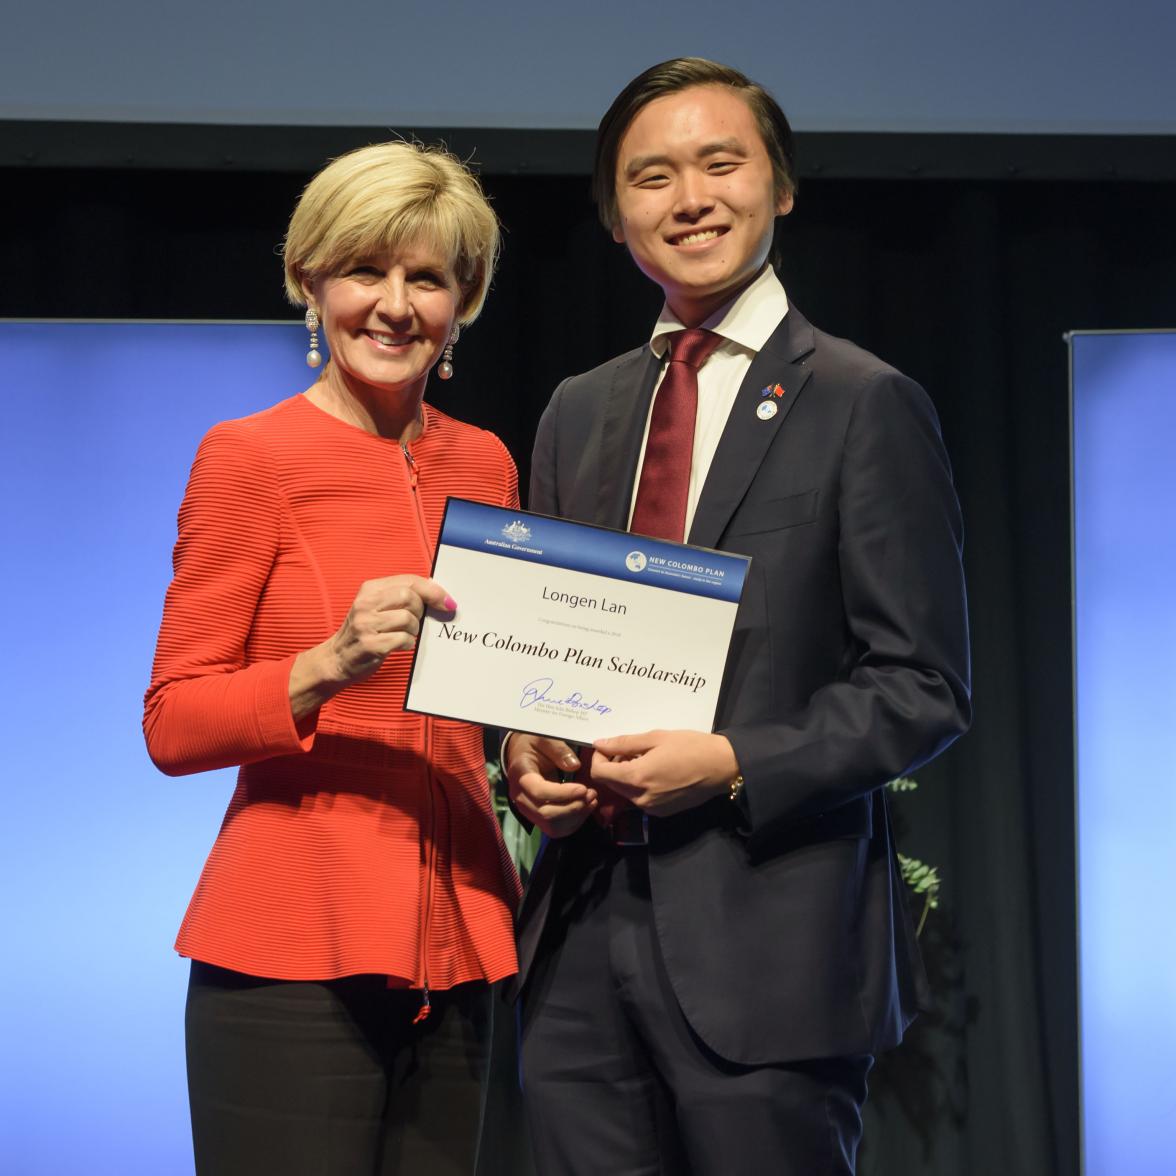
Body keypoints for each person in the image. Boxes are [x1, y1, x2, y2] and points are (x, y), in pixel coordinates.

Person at [504, 58, 972, 1174]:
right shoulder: (581, 411)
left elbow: (923, 687)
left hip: (771, 949)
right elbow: (546, 651)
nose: (691, 198)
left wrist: (729, 761)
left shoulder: (864, 401)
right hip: (579, 940)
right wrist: (525, 749)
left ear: (784, 187)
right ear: (618, 219)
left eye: (723, 163)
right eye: (652, 176)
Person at [143, 141, 521, 1176]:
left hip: (461, 940)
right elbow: (173, 722)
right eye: (365, 269)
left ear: (464, 301)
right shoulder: (248, 457)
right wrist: (331, 662)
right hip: (289, 950)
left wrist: (533, 755)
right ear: (310, 280)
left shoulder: (484, 461)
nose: (395, 305)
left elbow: (490, 686)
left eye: (429, 277)